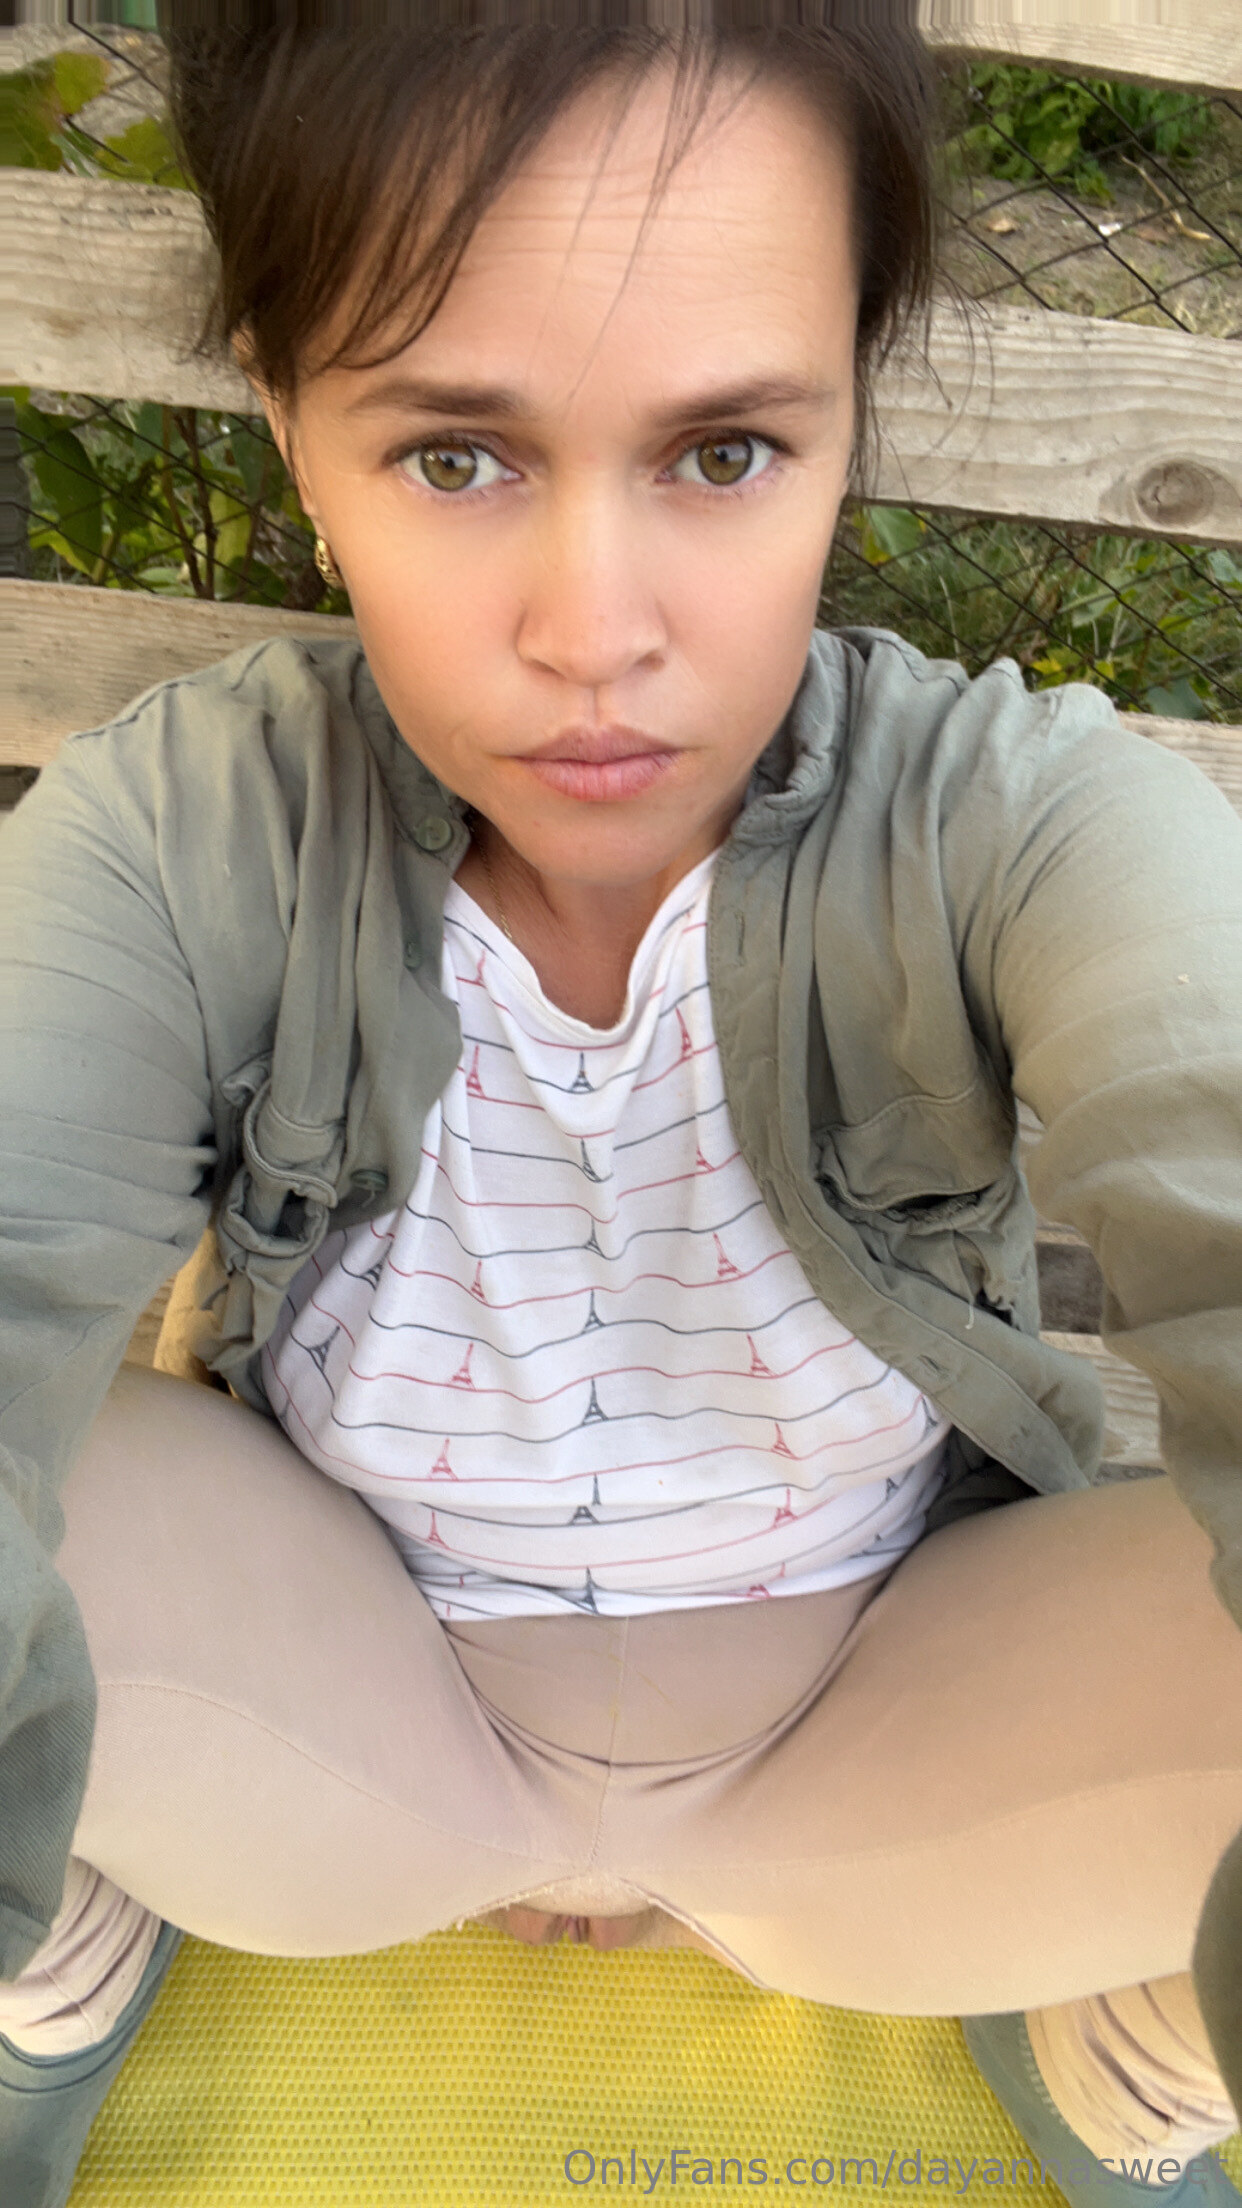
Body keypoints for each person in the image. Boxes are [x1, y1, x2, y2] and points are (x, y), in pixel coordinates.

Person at [2, 7, 1241, 2206]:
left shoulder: (1011, 814)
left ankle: (1131, 2048)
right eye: (454, 458)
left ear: (849, 408)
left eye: (724, 451)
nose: (594, 632)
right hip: (337, 1716)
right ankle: (56, 1958)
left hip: (900, 1750)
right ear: (289, 414)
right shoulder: (184, 828)